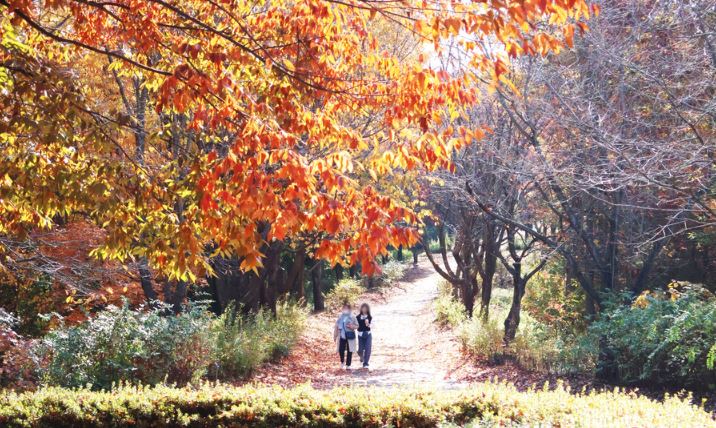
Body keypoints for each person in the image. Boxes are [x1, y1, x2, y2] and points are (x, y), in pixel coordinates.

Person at [333, 303, 358, 370]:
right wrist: (335, 336)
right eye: (344, 308)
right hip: (342, 335)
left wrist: (351, 326)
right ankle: (342, 362)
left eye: (346, 308)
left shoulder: (353, 317)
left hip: (350, 335)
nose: (345, 310)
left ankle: (348, 364)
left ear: (349, 309)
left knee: (350, 350)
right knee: (341, 350)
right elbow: (336, 326)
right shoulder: (340, 316)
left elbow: (357, 326)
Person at [356, 303, 373, 370]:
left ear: (368, 309)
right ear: (361, 309)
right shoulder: (357, 317)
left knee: (368, 348)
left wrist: (368, 324)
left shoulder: (370, 317)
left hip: (368, 334)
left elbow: (373, 326)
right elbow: (355, 325)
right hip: (360, 335)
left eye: (366, 308)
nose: (364, 309)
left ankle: (366, 363)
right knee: (360, 349)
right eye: (363, 308)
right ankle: (361, 355)